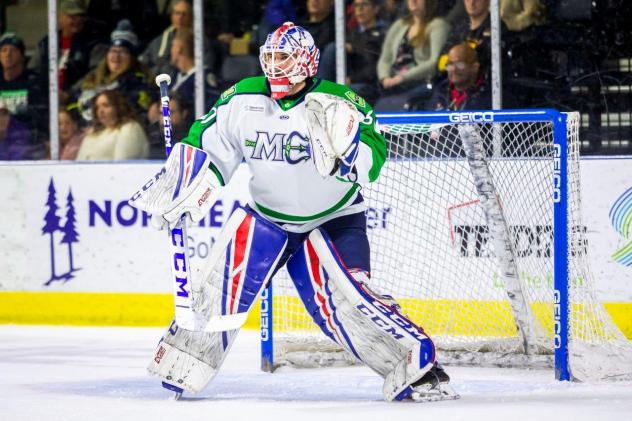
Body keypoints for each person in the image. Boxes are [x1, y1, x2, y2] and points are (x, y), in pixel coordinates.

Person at [129, 22, 457, 403]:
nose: (273, 66)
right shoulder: (242, 98)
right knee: (220, 286)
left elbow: (373, 159)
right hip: (266, 215)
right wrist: (185, 190)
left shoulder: (341, 102)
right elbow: (208, 145)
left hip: (332, 218)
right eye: (268, 57)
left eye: (282, 57)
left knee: (345, 304)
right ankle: (183, 361)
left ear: (305, 60)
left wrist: (351, 155)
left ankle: (417, 368)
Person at [71, 20, 154, 122]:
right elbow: (72, 105)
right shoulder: (92, 78)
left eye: (123, 52)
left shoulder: (138, 83)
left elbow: (129, 114)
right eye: (113, 51)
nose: (116, 56)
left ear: (132, 58)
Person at [374, 0, 450, 111]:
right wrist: (384, 78)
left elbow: (434, 62)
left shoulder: (439, 25)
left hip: (421, 84)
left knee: (391, 106)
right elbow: (385, 58)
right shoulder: (399, 25)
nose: (413, 1)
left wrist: (401, 78)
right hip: (394, 86)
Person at [34, 0, 104, 99]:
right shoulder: (46, 43)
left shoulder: (93, 44)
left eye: (81, 17)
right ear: (60, 17)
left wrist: (70, 93)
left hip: (79, 100)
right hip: (46, 101)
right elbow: (34, 71)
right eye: (72, 17)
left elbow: (96, 72)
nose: (77, 21)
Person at [0, 31, 47, 156]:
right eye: (3, 50)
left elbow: (40, 117)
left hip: (27, 142)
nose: (8, 55)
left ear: (22, 56)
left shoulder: (34, 82)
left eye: (13, 50)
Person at [76, 90, 149, 160]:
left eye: (106, 105)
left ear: (117, 107)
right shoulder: (92, 134)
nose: (100, 110)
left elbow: (123, 164)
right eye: (97, 107)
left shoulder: (130, 128)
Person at [427, 42, 491, 110]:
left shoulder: (490, 95)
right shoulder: (440, 91)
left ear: (475, 67)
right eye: (450, 64)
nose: (454, 69)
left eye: (460, 64)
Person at [345, 0, 387, 103]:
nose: (360, 9)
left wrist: (352, 79)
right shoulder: (351, 34)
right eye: (356, 5)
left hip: (372, 87)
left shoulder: (384, 33)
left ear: (375, 9)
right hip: (351, 82)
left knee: (346, 93)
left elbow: (375, 68)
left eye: (364, 4)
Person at [139, 0, 193, 76]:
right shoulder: (158, 41)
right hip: (157, 84)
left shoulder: (199, 42)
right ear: (172, 16)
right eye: (177, 13)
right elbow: (142, 64)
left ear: (191, 17)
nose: (180, 17)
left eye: (184, 14)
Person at [146, 92, 193, 159]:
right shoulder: (151, 136)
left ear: (183, 113)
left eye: (170, 113)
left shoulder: (191, 138)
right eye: (161, 113)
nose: (165, 119)